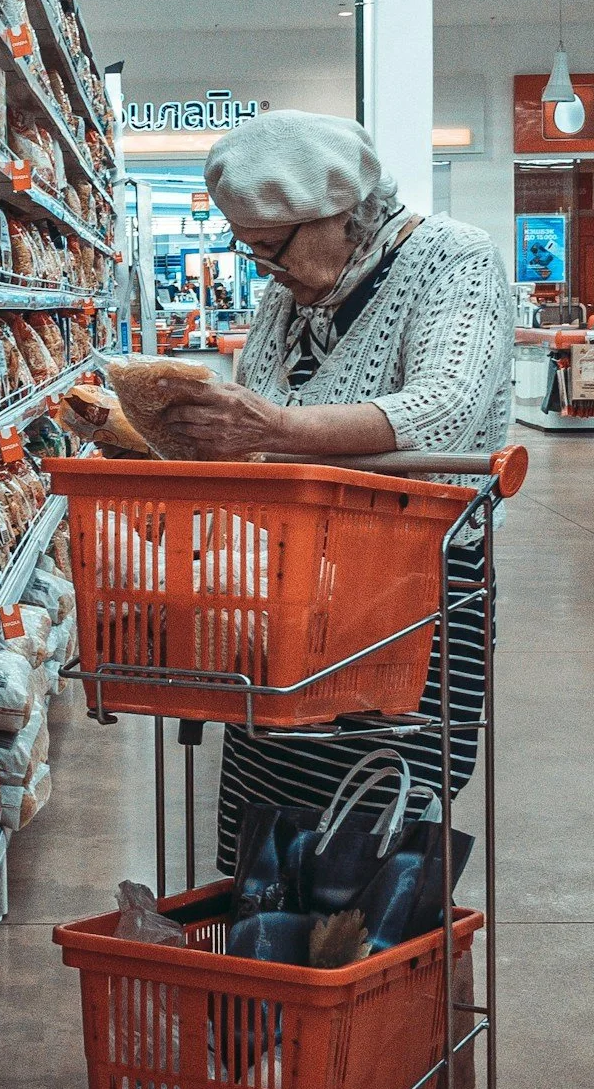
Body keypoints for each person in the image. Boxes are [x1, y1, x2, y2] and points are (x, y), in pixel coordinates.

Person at [149, 108, 515, 872]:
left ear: (339, 213)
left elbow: (441, 408)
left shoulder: (455, 259)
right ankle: (277, 961)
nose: (260, 266)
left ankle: (384, 977)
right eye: (247, 248)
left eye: (269, 246)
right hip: (288, 591)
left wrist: (272, 427)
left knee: (378, 820)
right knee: (272, 823)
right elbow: (258, 396)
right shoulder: (288, 295)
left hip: (411, 590)